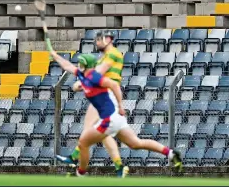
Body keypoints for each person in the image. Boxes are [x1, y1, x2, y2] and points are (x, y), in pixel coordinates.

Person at [49, 51, 183, 177]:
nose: (79, 66)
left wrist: (120, 105)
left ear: (86, 65)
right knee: (135, 143)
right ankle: (170, 153)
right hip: (116, 119)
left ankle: (79, 172)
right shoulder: (83, 75)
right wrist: (55, 55)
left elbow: (113, 85)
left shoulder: (95, 77)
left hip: (109, 120)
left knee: (83, 142)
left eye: (81, 64)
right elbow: (67, 66)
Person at [56, 30, 127, 177]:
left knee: (89, 128)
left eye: (100, 40)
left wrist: (80, 84)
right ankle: (119, 166)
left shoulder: (112, 54)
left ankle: (75, 159)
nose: (97, 42)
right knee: (104, 134)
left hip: (106, 94)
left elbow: (98, 74)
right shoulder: (105, 56)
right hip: (104, 92)